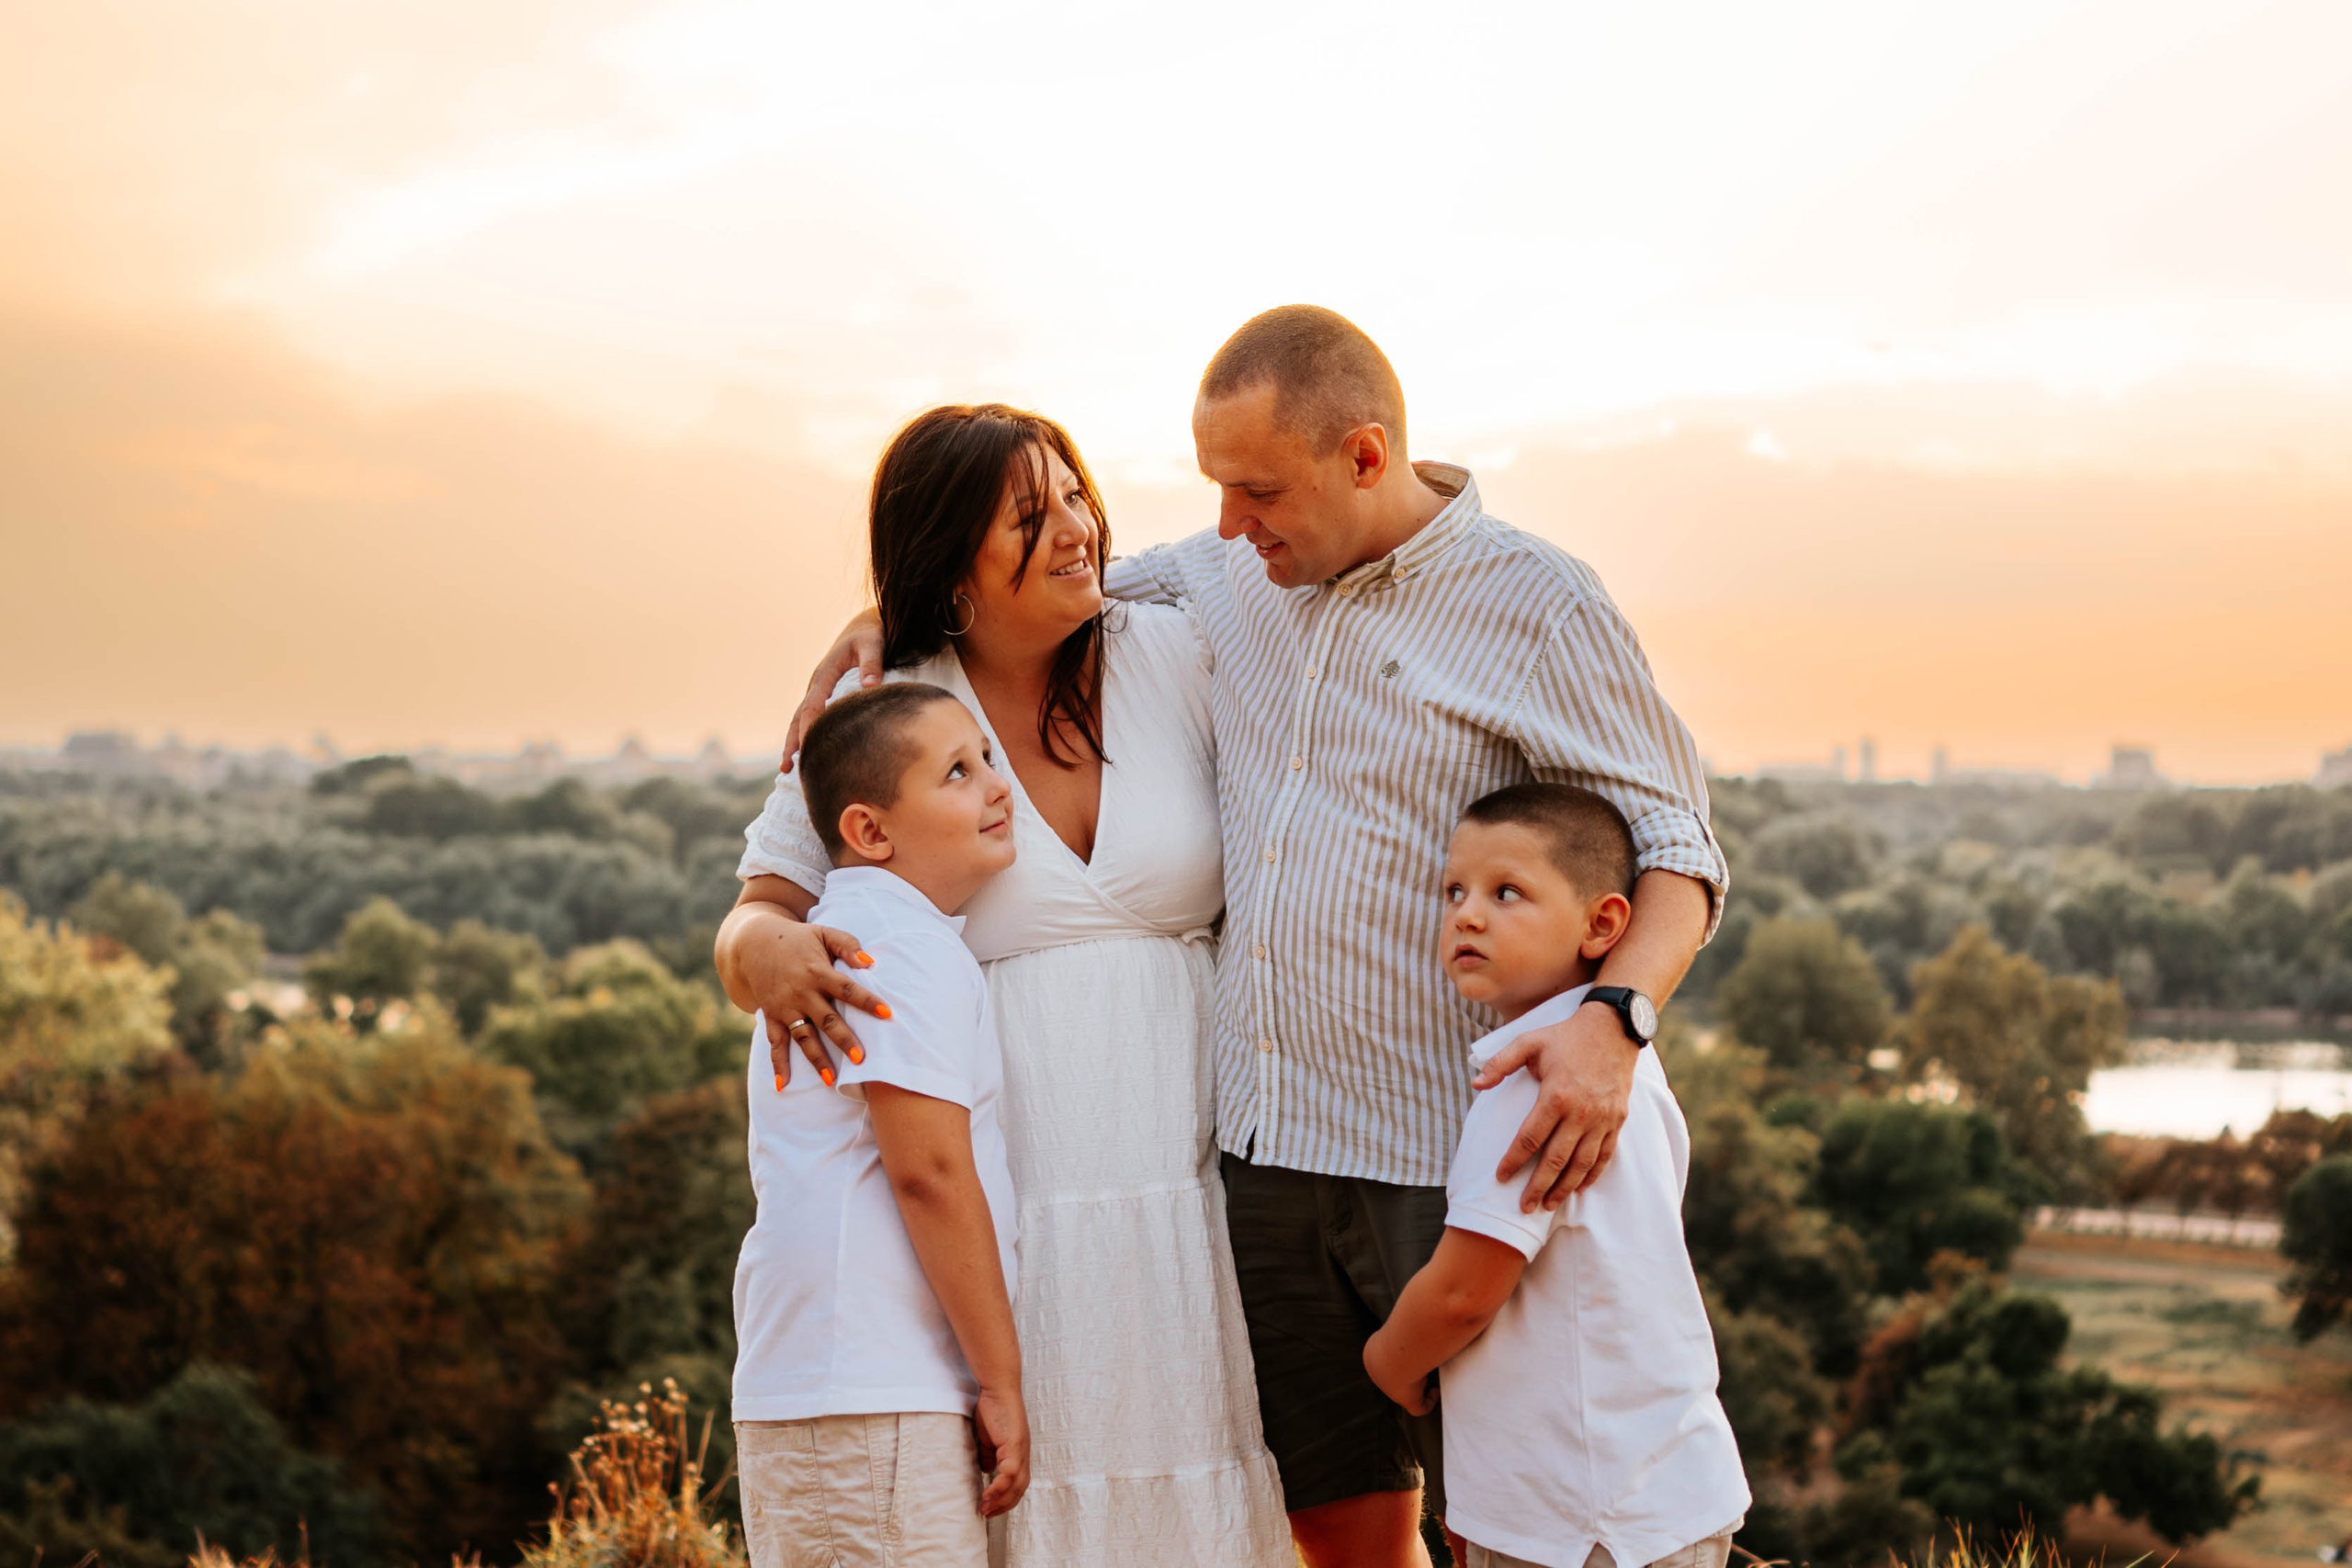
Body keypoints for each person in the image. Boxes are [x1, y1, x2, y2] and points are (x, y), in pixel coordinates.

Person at [783, 308, 1725, 1567]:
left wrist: (1618, 1018)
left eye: (1261, 488)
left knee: (1509, 1515)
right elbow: (1030, 594)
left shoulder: (1538, 603)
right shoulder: (1227, 580)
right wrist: (878, 629)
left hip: (1438, 1146)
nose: (1229, 520)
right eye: (1218, 485)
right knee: (1336, 1527)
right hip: (1262, 1160)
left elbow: (1680, 841)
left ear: (1368, 457)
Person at [717, 406, 1292, 1567]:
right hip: (1008, 1200)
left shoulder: (1178, 653)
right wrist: (763, 955)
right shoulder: (890, 709)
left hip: (1193, 1193)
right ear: (949, 558)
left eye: (1074, 491)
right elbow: (756, 916)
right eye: (1031, 516)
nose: (1078, 526)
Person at [1363, 784, 1748, 1568]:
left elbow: (1466, 1289)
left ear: (1604, 923)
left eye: (1508, 892)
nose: (1468, 914)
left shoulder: (1530, 1089)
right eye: (1455, 892)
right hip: (1665, 1488)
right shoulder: (1630, 1071)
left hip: (1582, 1517)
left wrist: (1389, 1362)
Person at [731, 682, 1029, 1568]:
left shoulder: (862, 932)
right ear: (870, 830)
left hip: (842, 1388)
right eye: (957, 772)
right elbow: (928, 1172)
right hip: (866, 1395)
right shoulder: (890, 948)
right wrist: (1002, 1381)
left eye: (986, 758)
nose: (995, 785)